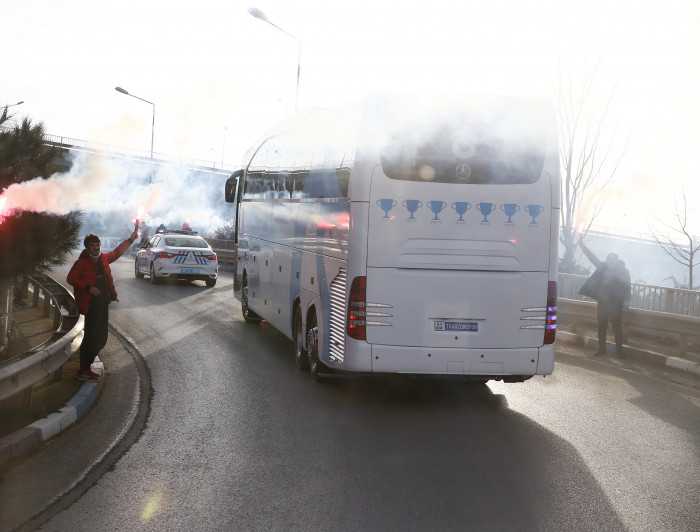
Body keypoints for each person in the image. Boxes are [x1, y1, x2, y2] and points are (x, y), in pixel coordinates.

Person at [67, 229, 138, 381]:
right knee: (91, 338)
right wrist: (89, 288)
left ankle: (87, 367)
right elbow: (71, 278)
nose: (96, 248)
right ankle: (84, 370)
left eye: (97, 245)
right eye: (92, 246)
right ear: (86, 248)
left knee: (101, 338)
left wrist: (131, 240)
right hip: (90, 306)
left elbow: (116, 253)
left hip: (102, 305)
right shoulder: (82, 262)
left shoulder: (103, 259)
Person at [578, 240, 632, 357]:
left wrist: (627, 300)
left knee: (616, 327)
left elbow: (628, 286)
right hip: (602, 302)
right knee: (601, 326)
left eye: (612, 261)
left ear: (617, 261)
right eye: (608, 261)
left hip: (616, 304)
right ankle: (602, 350)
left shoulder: (623, 271)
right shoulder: (603, 267)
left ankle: (619, 352)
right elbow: (593, 259)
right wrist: (584, 247)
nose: (610, 263)